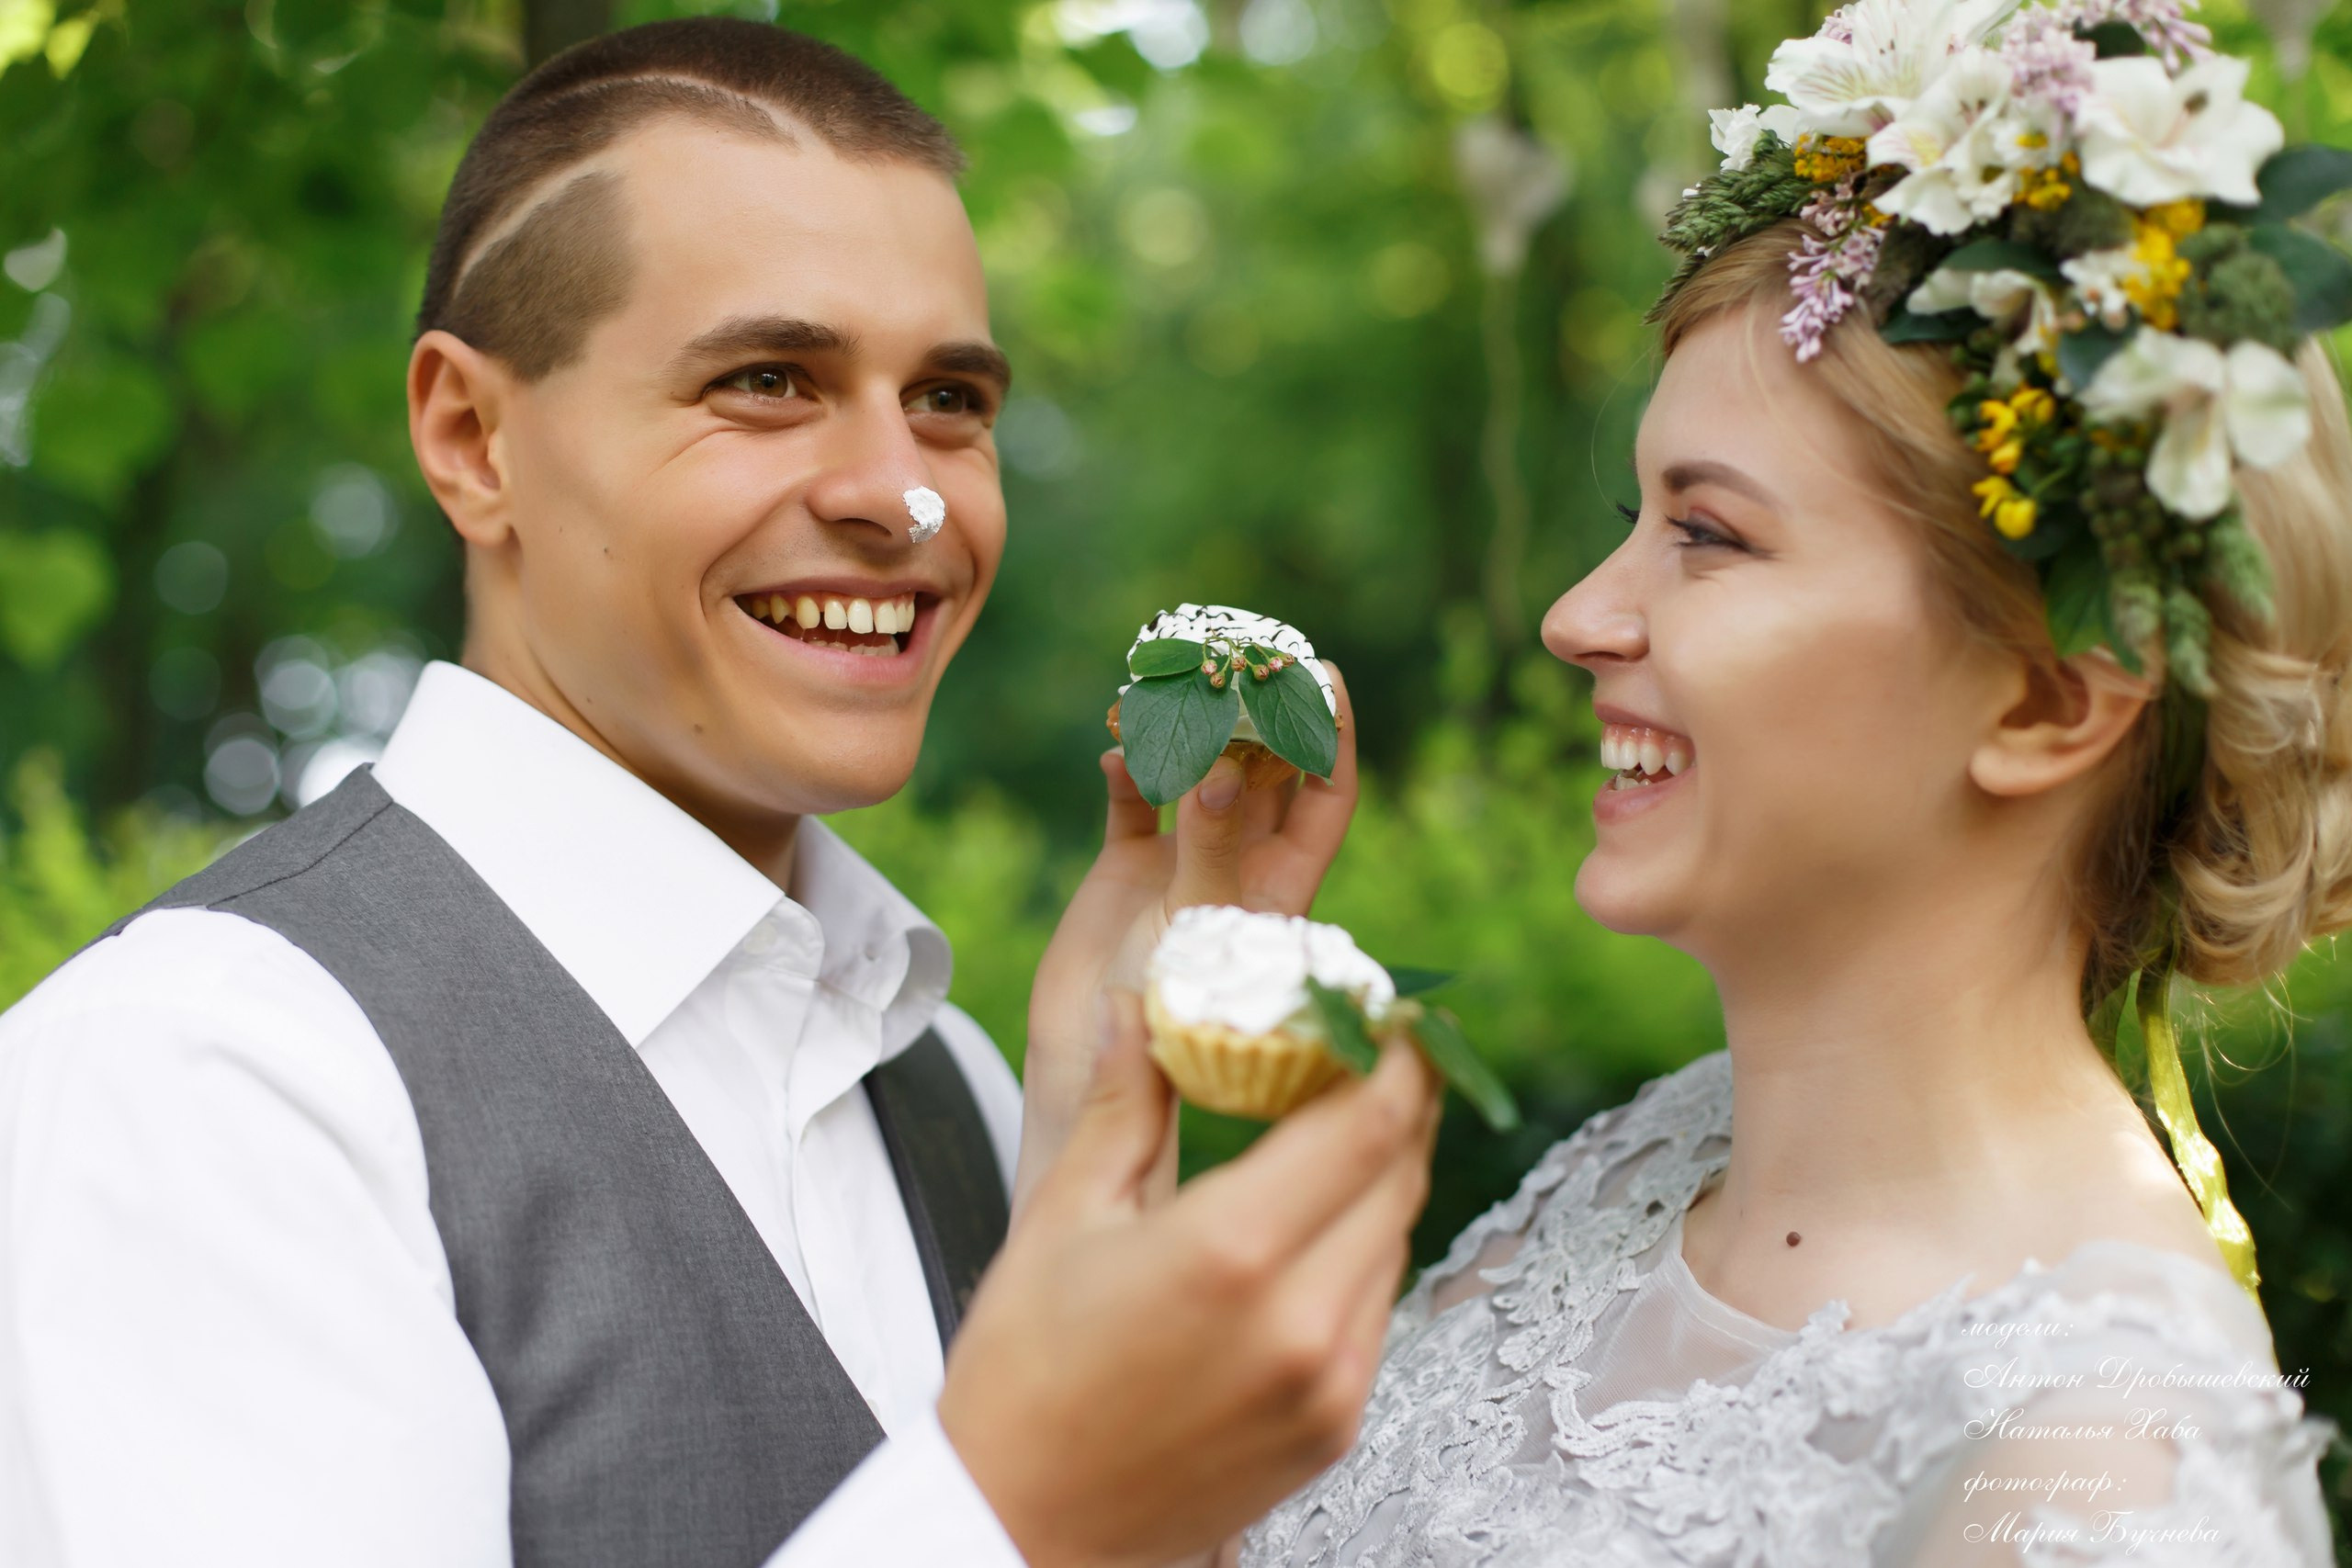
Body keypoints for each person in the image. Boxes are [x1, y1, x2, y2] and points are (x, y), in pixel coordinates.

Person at [0, 19, 1440, 1568]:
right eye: (768, 381)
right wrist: (1015, 1498)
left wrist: (1106, 1126)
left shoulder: (949, 1075)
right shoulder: (207, 1078)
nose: (903, 497)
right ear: (472, 440)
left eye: (951, 401)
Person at [1238, 4, 2342, 1563]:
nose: (1576, 616)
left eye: (1709, 534)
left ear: (2042, 702)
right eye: (1642, 513)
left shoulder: (2106, 1461)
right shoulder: (1633, 1178)